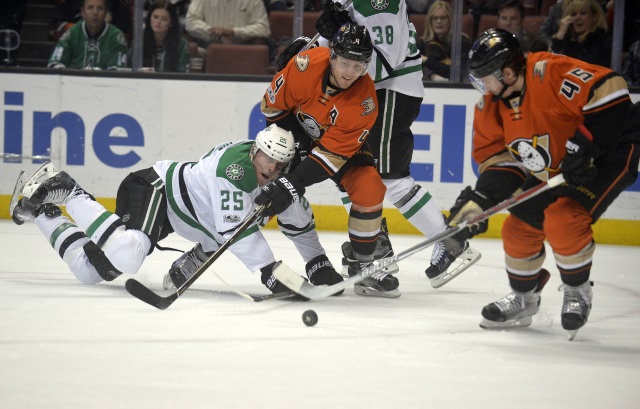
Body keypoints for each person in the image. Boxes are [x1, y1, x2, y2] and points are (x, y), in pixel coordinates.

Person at [10, 124, 343, 295]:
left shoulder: (278, 180)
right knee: (128, 256)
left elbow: (299, 219)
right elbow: (238, 234)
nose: (270, 168)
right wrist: (273, 273)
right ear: (255, 151)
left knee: (88, 272)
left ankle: (42, 212)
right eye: (266, 158)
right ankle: (68, 190)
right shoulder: (235, 171)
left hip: (179, 216)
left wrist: (317, 262)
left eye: (279, 163)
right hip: (156, 189)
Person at [466, 28, 640, 338]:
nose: (483, 87)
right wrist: (478, 200)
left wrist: (584, 147)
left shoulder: (547, 71)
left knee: (563, 217)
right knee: (518, 227)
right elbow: (499, 161)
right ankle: (524, 297)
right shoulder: (494, 106)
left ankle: (577, 290)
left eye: (485, 78)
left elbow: (611, 88)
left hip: (611, 153)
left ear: (507, 72)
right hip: (560, 164)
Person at [310, 0, 480, 288]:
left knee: (390, 178)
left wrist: (341, 32)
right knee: (349, 173)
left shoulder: (379, 4)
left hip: (389, 92)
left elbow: (380, 67)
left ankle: (449, 244)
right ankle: (373, 244)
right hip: (370, 95)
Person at [256, 23, 402, 298]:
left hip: (336, 147)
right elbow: (273, 109)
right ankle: (215, 239)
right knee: (265, 179)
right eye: (345, 63)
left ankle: (362, 264)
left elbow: (330, 157)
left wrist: (295, 181)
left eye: (358, 66)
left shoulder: (365, 102)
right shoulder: (304, 66)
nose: (350, 73)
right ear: (332, 55)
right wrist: (296, 147)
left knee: (370, 189)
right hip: (294, 134)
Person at [48, 0, 128, 70]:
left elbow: (118, 71)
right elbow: (54, 64)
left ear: (105, 12)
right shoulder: (71, 34)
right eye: (90, 7)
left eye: (100, 8)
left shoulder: (115, 37)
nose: (95, 12)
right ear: (83, 12)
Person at [418, 0, 472, 81]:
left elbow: (458, 73)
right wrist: (432, 75)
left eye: (443, 17)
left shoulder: (462, 43)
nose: (439, 21)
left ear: (450, 20)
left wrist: (426, 61)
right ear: (430, 21)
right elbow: (414, 71)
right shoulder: (422, 43)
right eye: (435, 18)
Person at [550, 0, 611, 67]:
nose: (577, 18)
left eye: (583, 13)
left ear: (594, 17)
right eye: (574, 14)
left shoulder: (602, 40)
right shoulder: (567, 39)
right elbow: (552, 64)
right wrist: (560, 34)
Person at [185, 0, 270, 46]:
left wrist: (232, 31)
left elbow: (264, 28)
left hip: (243, 50)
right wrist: (219, 35)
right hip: (210, 47)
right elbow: (190, 22)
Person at [142, 0, 190, 72]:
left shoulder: (181, 45)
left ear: (171, 23)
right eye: (155, 17)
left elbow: (182, 75)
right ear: (149, 19)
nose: (158, 22)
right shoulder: (139, 42)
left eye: (164, 19)